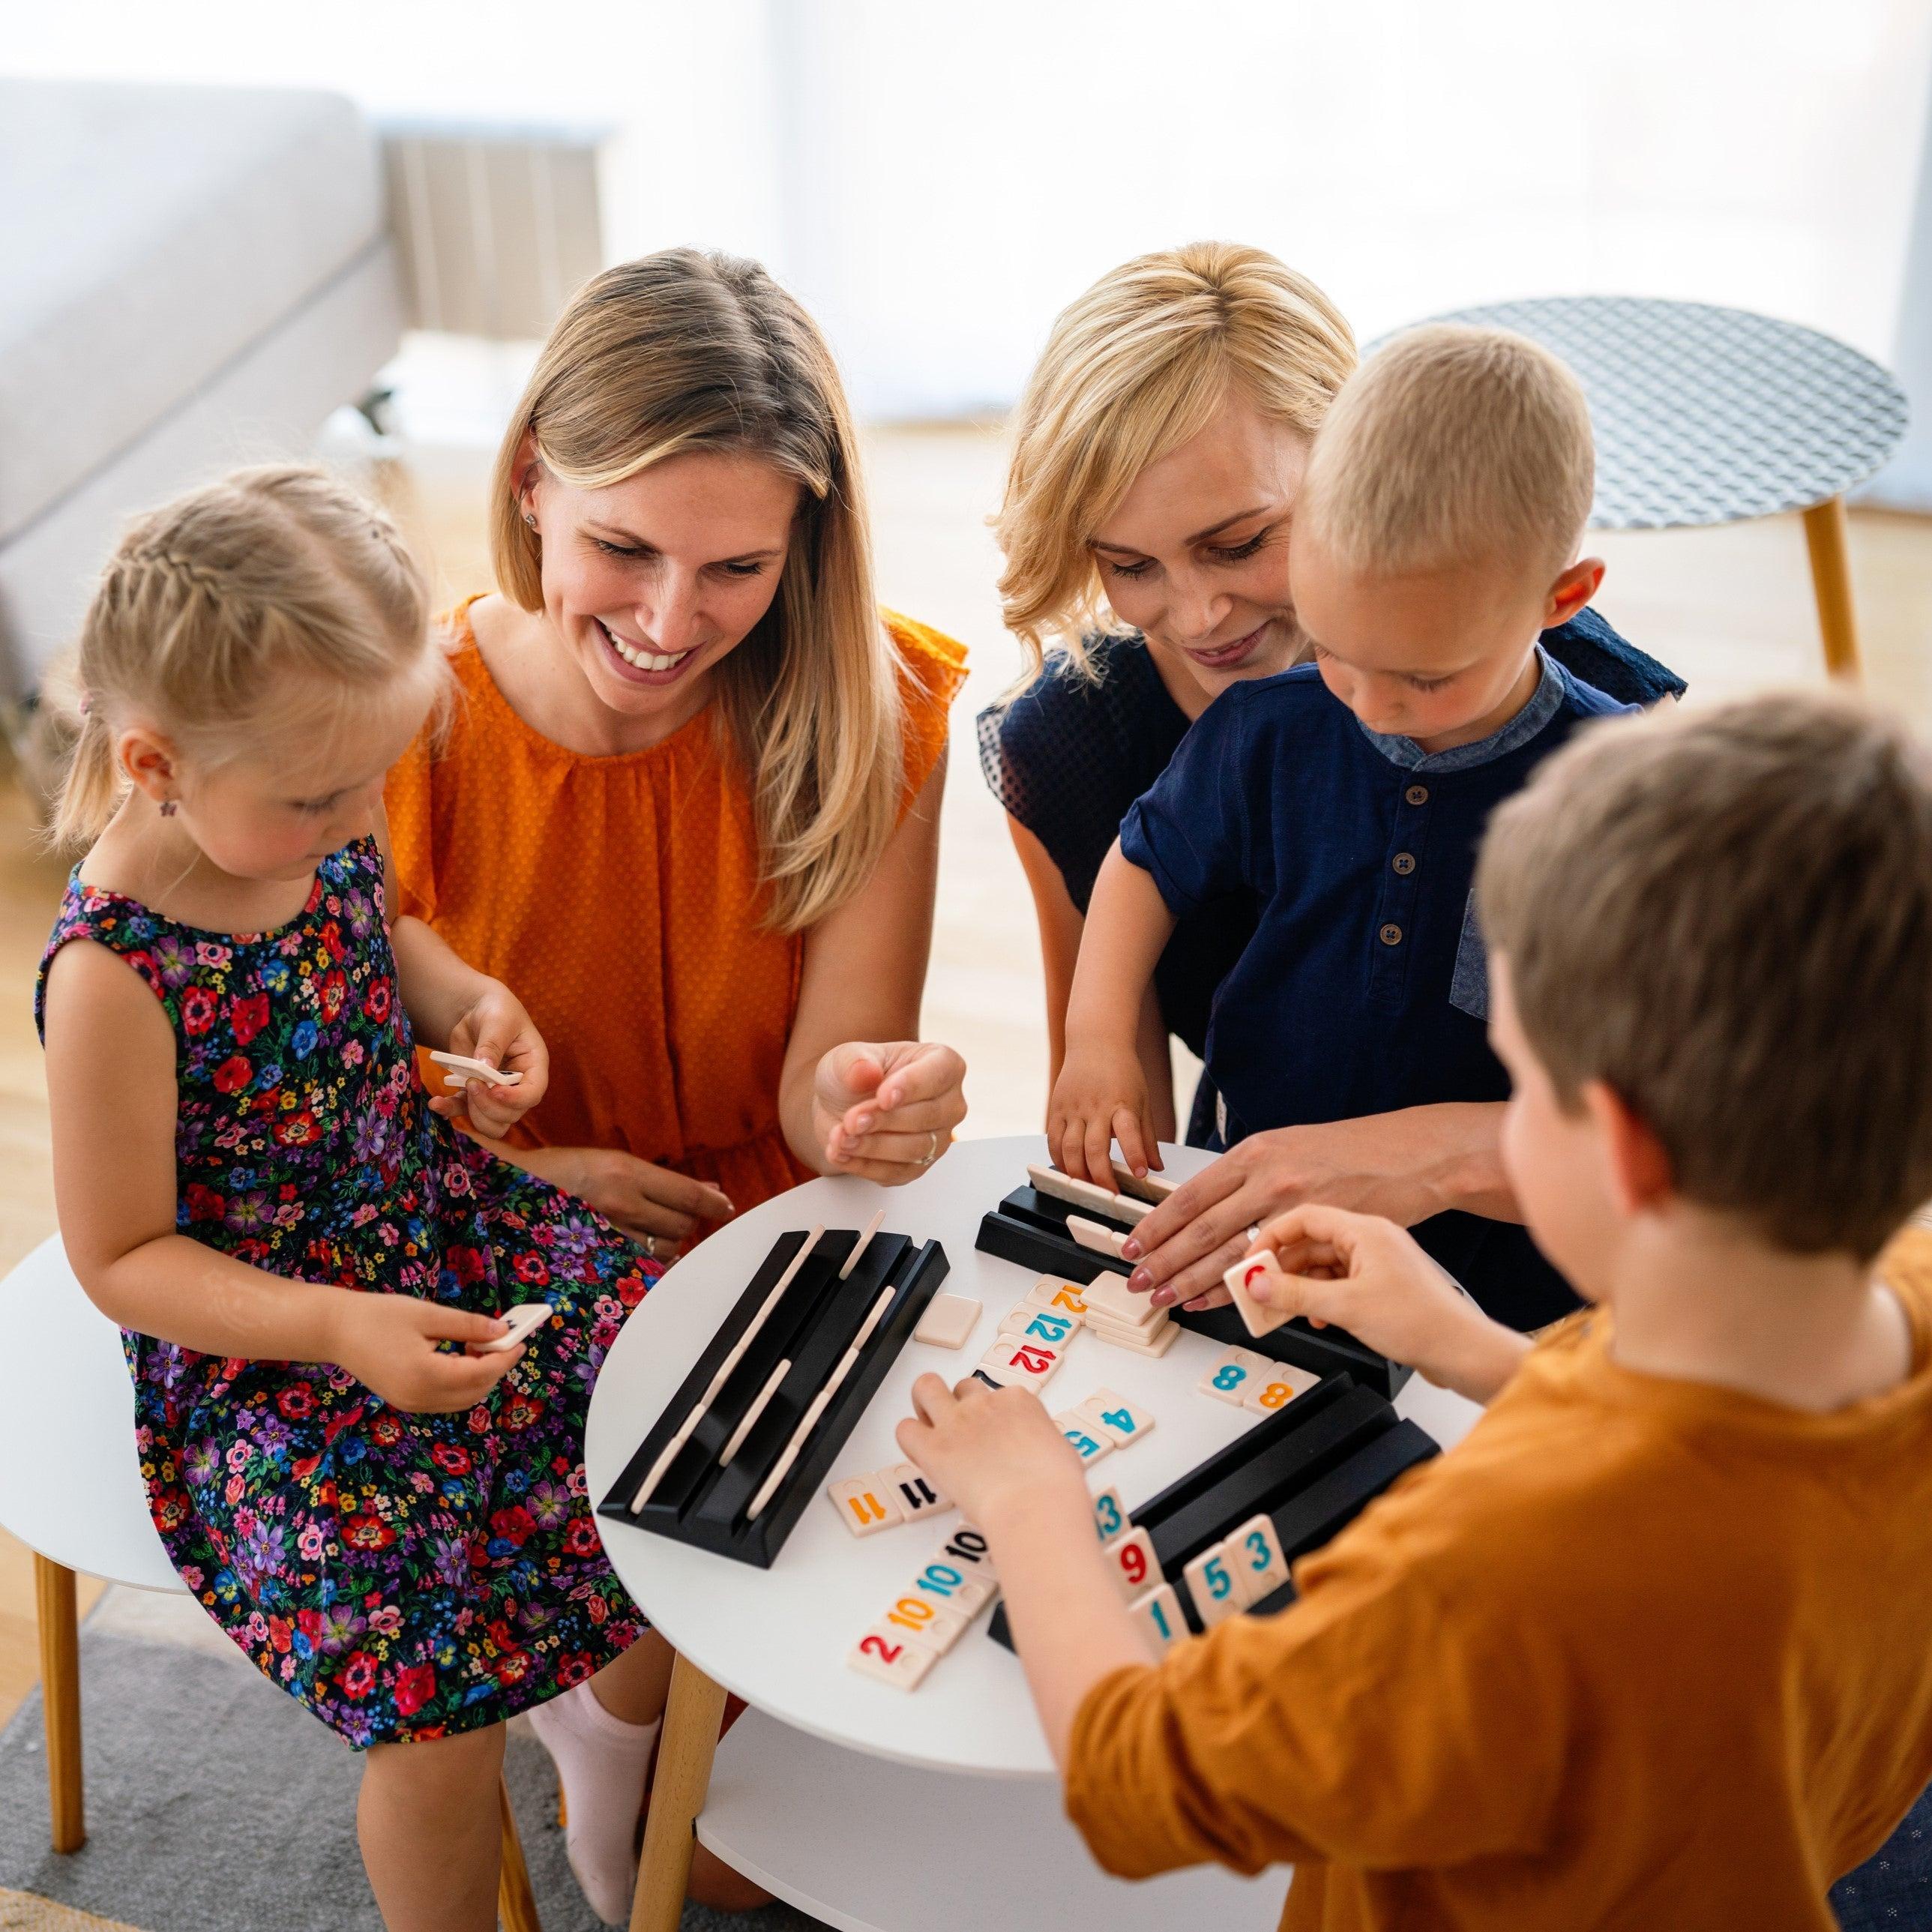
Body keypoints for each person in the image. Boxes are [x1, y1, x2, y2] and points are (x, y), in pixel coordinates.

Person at [903, 690, 1932, 1931]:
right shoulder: (1887, 1308)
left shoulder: (1488, 1564)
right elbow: (1711, 1453)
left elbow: (1137, 1782)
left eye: (1514, 1080)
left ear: (1617, 1149)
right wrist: (1459, 1341)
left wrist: (1027, 1499)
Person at [36, 467, 667, 1932]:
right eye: (320, 792)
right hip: (263, 1351)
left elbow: (386, 922)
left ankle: (604, 1740)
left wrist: (464, 995)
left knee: (665, 1407)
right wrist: (335, 1325)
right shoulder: (114, 974)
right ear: (154, 764)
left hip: (429, 1215)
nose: (357, 815)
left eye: (370, 781)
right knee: (424, 1682)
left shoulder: (315, 819)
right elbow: (121, 1254)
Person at [980, 242, 1681, 1222]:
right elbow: (1115, 1105)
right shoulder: (1070, 738)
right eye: (1129, 564)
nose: (1197, 618)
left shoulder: (1615, 743)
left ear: (1352, 459)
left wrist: (1417, 1163)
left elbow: (1672, 1133)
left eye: (1239, 543)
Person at [387, 248, 969, 1268]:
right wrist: (544, 1186)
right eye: (622, 548)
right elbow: (317, 1121)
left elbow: (819, 1094)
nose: (667, 620)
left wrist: (856, 1102)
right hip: (486, 1236)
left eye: (738, 568)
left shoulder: (877, 709)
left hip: (774, 1241)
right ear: (530, 482)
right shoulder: (391, 722)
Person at [1050, 323, 1629, 1328]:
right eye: (1337, 648)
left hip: (1510, 1278)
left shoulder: (1626, 792)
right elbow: (1144, 860)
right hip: (1267, 1229)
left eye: (1424, 675)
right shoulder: (1267, 724)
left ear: (1562, 597)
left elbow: (1643, 1123)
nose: (1368, 702)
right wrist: (1096, 1035)